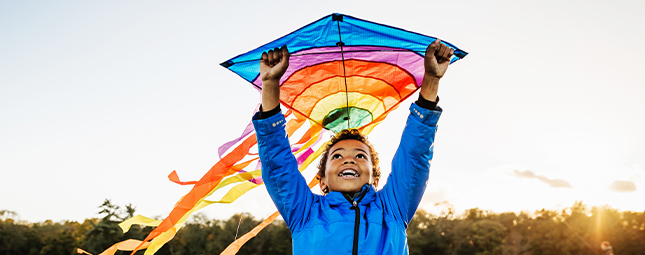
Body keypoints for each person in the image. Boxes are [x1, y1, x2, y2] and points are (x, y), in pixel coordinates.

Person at [252, 39, 454, 255]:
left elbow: (414, 157)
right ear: (322, 181)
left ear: (375, 180)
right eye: (337, 156)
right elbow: (278, 165)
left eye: (360, 156)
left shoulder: (393, 209)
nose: (349, 160)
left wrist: (431, 79)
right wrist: (271, 84)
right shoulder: (305, 213)